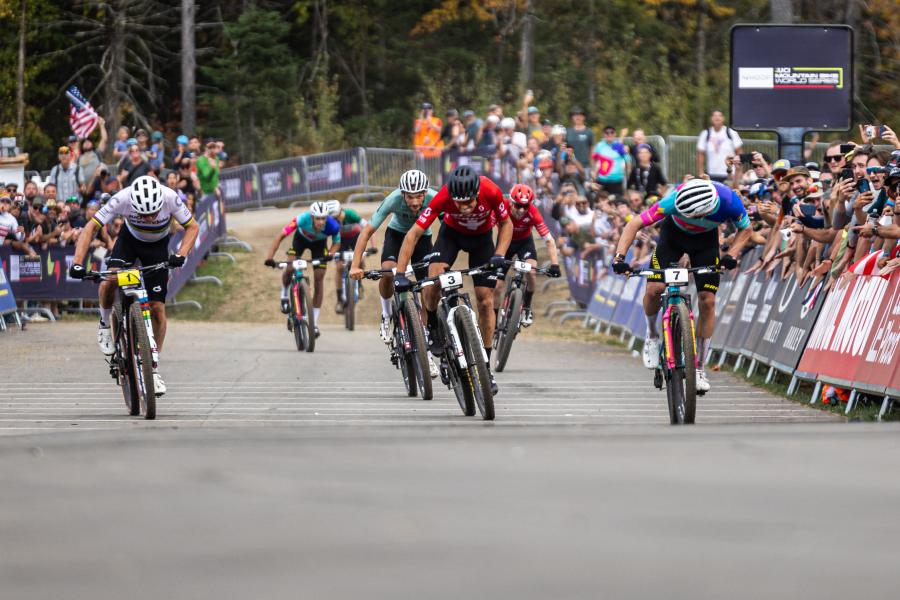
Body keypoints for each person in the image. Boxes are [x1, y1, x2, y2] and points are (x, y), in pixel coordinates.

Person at [612, 178, 753, 393]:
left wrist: (732, 255)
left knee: (708, 301)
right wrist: (619, 258)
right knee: (654, 290)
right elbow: (635, 223)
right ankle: (651, 335)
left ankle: (698, 368)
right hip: (672, 237)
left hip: (705, 243)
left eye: (694, 216)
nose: (691, 220)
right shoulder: (672, 200)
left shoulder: (729, 200)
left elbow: (746, 230)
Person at [68, 176, 200, 395]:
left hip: (157, 246)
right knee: (110, 279)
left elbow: (192, 227)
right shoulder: (122, 198)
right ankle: (104, 325)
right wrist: (77, 262)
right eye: (143, 214)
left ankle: (153, 368)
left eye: (153, 213)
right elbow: (90, 227)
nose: (148, 218)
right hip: (128, 242)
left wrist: (181, 254)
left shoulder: (170, 197)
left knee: (158, 309)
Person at [394, 165, 513, 395]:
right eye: (460, 203)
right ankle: (433, 327)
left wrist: (500, 253)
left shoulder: (491, 190)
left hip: (482, 240)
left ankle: (485, 366)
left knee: (486, 301)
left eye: (469, 202)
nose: (465, 208)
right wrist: (400, 274)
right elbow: (413, 234)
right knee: (432, 280)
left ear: (477, 193)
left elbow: (506, 223)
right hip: (451, 236)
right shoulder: (443, 197)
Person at [349, 170, 440, 377]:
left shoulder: (434, 198)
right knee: (387, 272)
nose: (416, 202)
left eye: (419, 196)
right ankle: (386, 314)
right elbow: (367, 232)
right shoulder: (393, 199)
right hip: (397, 236)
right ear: (402, 194)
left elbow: (448, 228)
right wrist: (355, 265)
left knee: (428, 287)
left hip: (422, 240)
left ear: (425, 192)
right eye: (410, 196)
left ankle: (424, 341)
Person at [263, 201, 341, 338]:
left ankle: (314, 323)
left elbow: (336, 243)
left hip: (319, 245)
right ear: (312, 217)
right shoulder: (301, 219)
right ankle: (285, 295)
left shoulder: (333, 226)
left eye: (324, 218)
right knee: (290, 267)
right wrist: (270, 257)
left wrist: (330, 254)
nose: (321, 222)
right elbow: (280, 236)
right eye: (318, 218)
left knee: (319, 277)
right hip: (300, 240)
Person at [494, 184, 561, 327]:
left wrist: (555, 265)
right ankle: (493, 317)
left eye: (525, 206)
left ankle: (526, 308)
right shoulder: (502, 207)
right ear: (511, 201)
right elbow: (486, 229)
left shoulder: (532, 212)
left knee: (531, 272)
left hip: (524, 243)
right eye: (518, 206)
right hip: (505, 242)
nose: (521, 210)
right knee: (497, 285)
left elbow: (549, 240)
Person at [326, 199, 372, 314]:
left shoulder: (350, 215)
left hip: (354, 239)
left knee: (360, 260)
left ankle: (360, 285)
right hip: (340, 242)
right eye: (333, 219)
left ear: (341, 211)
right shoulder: (329, 221)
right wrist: (328, 253)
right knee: (339, 268)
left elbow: (368, 228)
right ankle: (340, 299)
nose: (335, 220)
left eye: (337, 217)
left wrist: (372, 246)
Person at [696, 109, 743, 182]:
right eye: (714, 116)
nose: (717, 118)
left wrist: (739, 171)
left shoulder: (731, 133)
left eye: (719, 116)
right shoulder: (705, 134)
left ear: (723, 118)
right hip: (712, 174)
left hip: (730, 174)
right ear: (711, 118)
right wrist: (701, 172)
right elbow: (700, 154)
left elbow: (739, 152)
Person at [593, 125, 632, 196]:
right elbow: (595, 161)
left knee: (616, 202)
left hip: (616, 181)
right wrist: (593, 177)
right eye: (607, 133)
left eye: (612, 132)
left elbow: (628, 161)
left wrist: (628, 176)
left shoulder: (619, 146)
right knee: (601, 202)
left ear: (615, 134)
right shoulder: (599, 146)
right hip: (601, 180)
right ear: (604, 134)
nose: (609, 134)